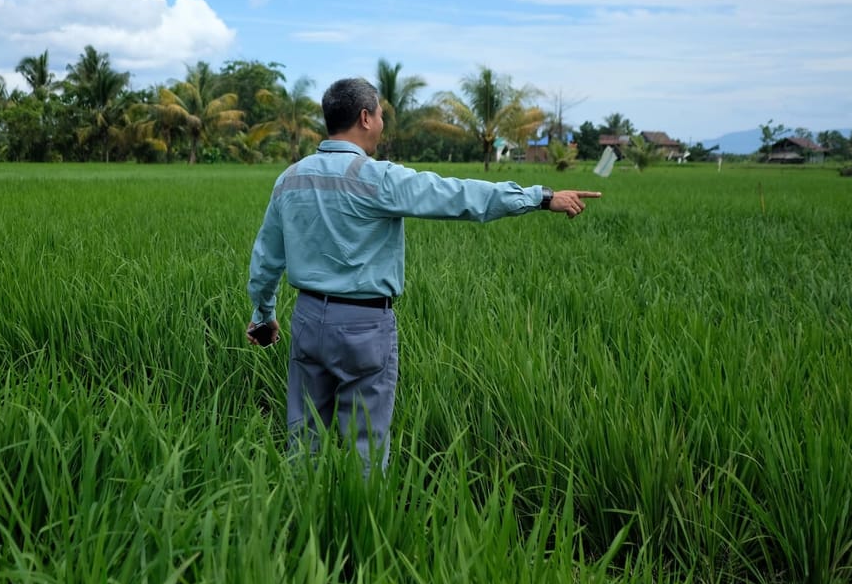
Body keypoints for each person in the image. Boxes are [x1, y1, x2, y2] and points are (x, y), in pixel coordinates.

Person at [246, 77, 601, 475]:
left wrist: (264, 315)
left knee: (304, 442)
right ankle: (359, 527)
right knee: (364, 449)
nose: (381, 122)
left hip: (308, 319)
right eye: (380, 114)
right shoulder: (377, 178)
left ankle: (301, 526)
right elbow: (458, 196)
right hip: (364, 326)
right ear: (365, 118)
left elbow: (266, 259)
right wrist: (540, 196)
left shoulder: (289, 179)